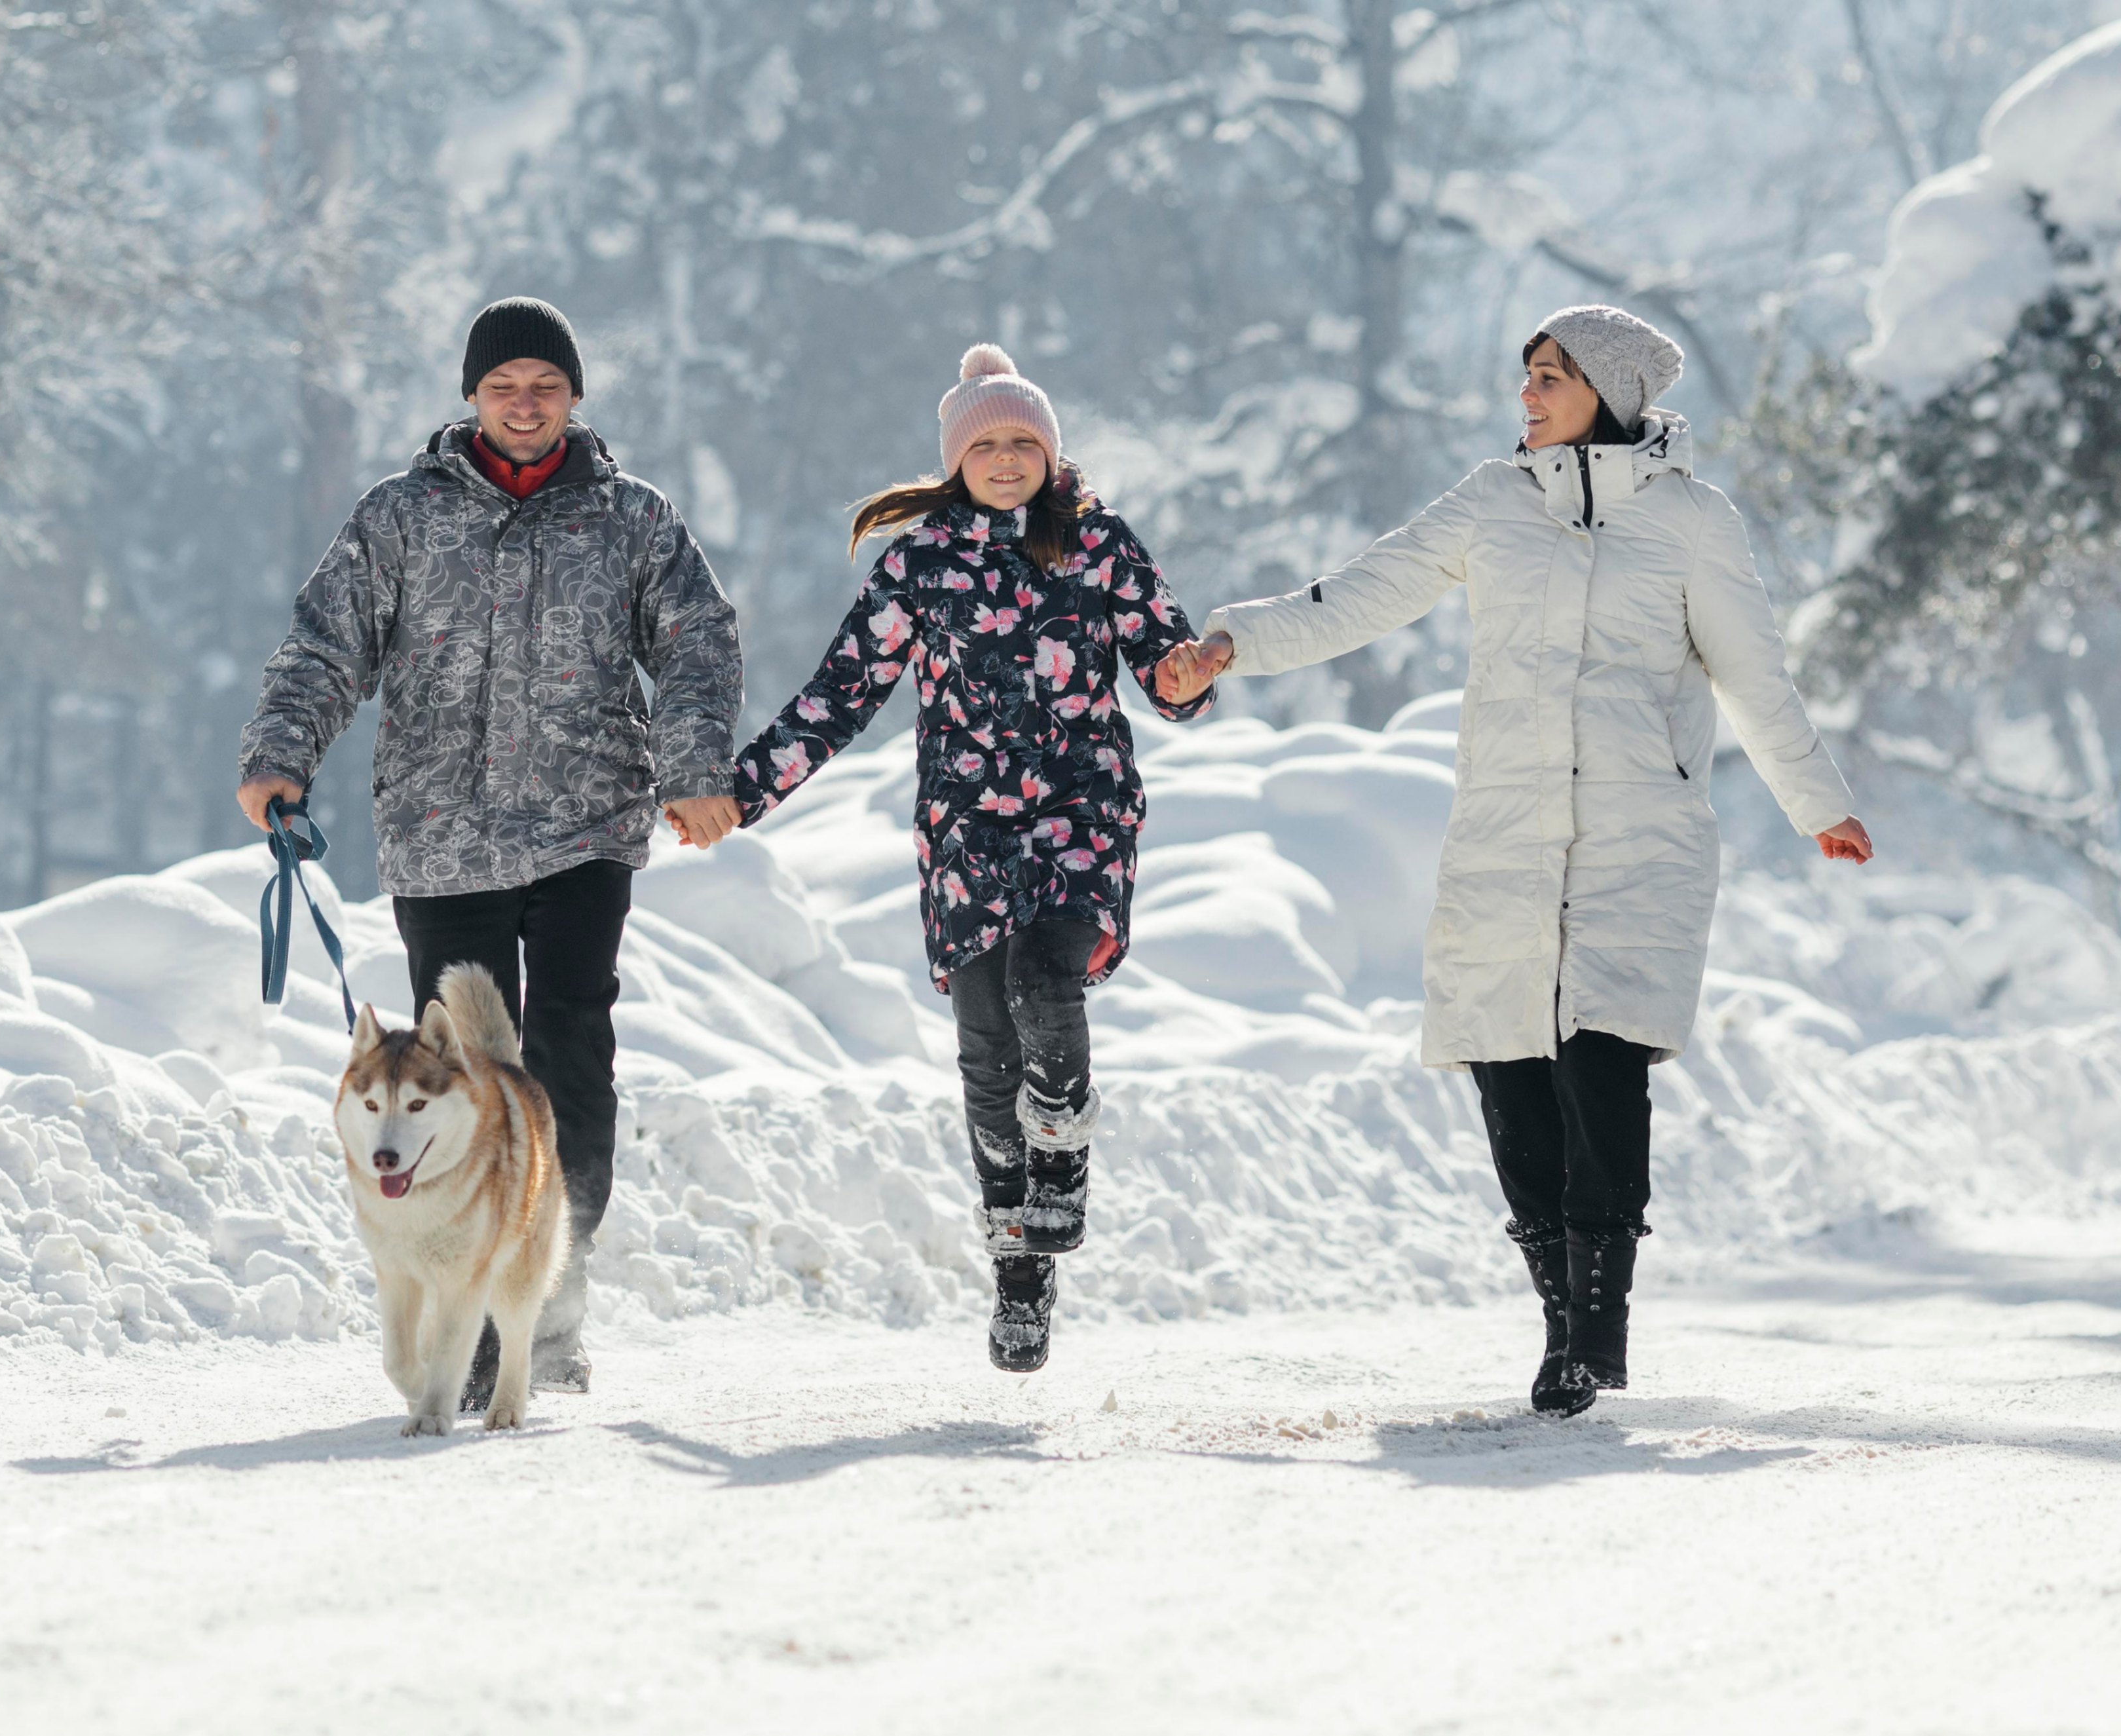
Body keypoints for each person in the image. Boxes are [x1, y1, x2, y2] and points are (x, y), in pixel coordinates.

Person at [1157, 304, 1875, 1416]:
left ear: (1611, 390)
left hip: (1642, 832)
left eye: (1551, 376)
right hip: (1506, 827)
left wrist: (1817, 802)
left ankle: (1599, 1320)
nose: (1528, 395)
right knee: (1511, 1072)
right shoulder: (1492, 503)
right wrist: (1230, 645)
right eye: (1527, 376)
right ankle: (1559, 1315)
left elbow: (1754, 676)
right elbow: (1364, 590)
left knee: (1603, 1055)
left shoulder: (1694, 522)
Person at [236, 296, 743, 1402]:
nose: (526, 404)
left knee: (567, 1061)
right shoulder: (401, 516)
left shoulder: (633, 520)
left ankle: (547, 1297)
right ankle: (471, 1321)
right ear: (472, 397)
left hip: (583, 830)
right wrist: (282, 751)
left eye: (546, 388)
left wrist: (697, 764)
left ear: (574, 400)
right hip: (442, 835)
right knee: (462, 1082)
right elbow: (328, 639)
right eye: (506, 387)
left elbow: (698, 639)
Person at [679, 344, 1211, 1372]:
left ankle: (1062, 1148)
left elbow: (1170, 675)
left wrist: (1189, 675)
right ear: (956, 459)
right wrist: (742, 795)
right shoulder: (920, 566)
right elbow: (839, 697)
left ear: (1051, 455)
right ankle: (1019, 1266)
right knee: (984, 1050)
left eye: (1024, 442)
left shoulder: (1098, 546)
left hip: (1082, 814)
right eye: (987, 444)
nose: (1007, 459)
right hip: (967, 831)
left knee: (1047, 977)